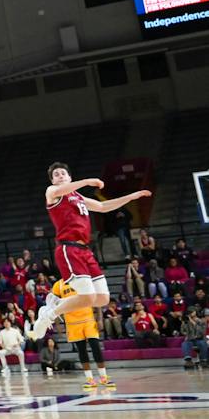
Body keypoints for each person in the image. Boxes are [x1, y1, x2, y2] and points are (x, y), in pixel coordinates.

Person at [28, 163, 151, 341]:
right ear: (53, 181)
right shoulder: (52, 193)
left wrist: (131, 197)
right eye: (56, 175)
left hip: (85, 250)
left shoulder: (78, 198)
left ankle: (54, 306)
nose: (61, 176)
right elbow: (58, 190)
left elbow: (103, 207)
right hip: (68, 248)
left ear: (69, 177)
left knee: (102, 299)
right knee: (87, 296)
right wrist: (86, 181)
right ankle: (49, 314)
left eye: (63, 173)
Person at [50, 277, 112, 388]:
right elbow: (53, 305)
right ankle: (90, 379)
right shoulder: (58, 285)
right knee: (81, 350)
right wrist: (58, 324)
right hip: (72, 323)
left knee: (95, 347)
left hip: (88, 319)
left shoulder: (82, 279)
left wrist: (99, 318)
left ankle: (104, 377)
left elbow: (95, 298)